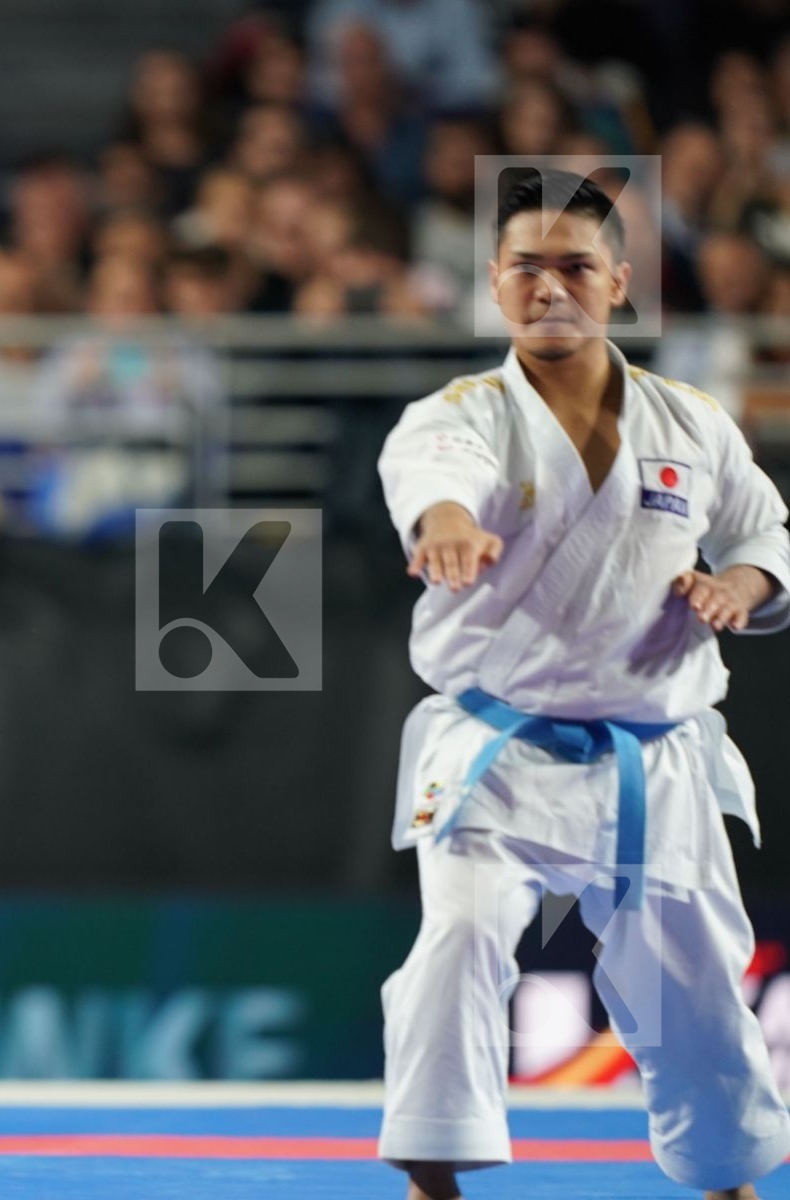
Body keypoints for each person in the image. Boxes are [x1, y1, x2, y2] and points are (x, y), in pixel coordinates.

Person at [376, 168, 790, 1200]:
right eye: (526, 266)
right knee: (460, 937)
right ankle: (433, 1181)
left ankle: (729, 1177)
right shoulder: (460, 415)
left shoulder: (693, 424)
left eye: (574, 267)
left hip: (657, 751)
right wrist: (447, 526)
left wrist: (740, 586)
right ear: (495, 281)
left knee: (694, 980)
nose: (549, 287)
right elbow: (431, 480)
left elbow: (766, 534)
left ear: (619, 281)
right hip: (501, 748)